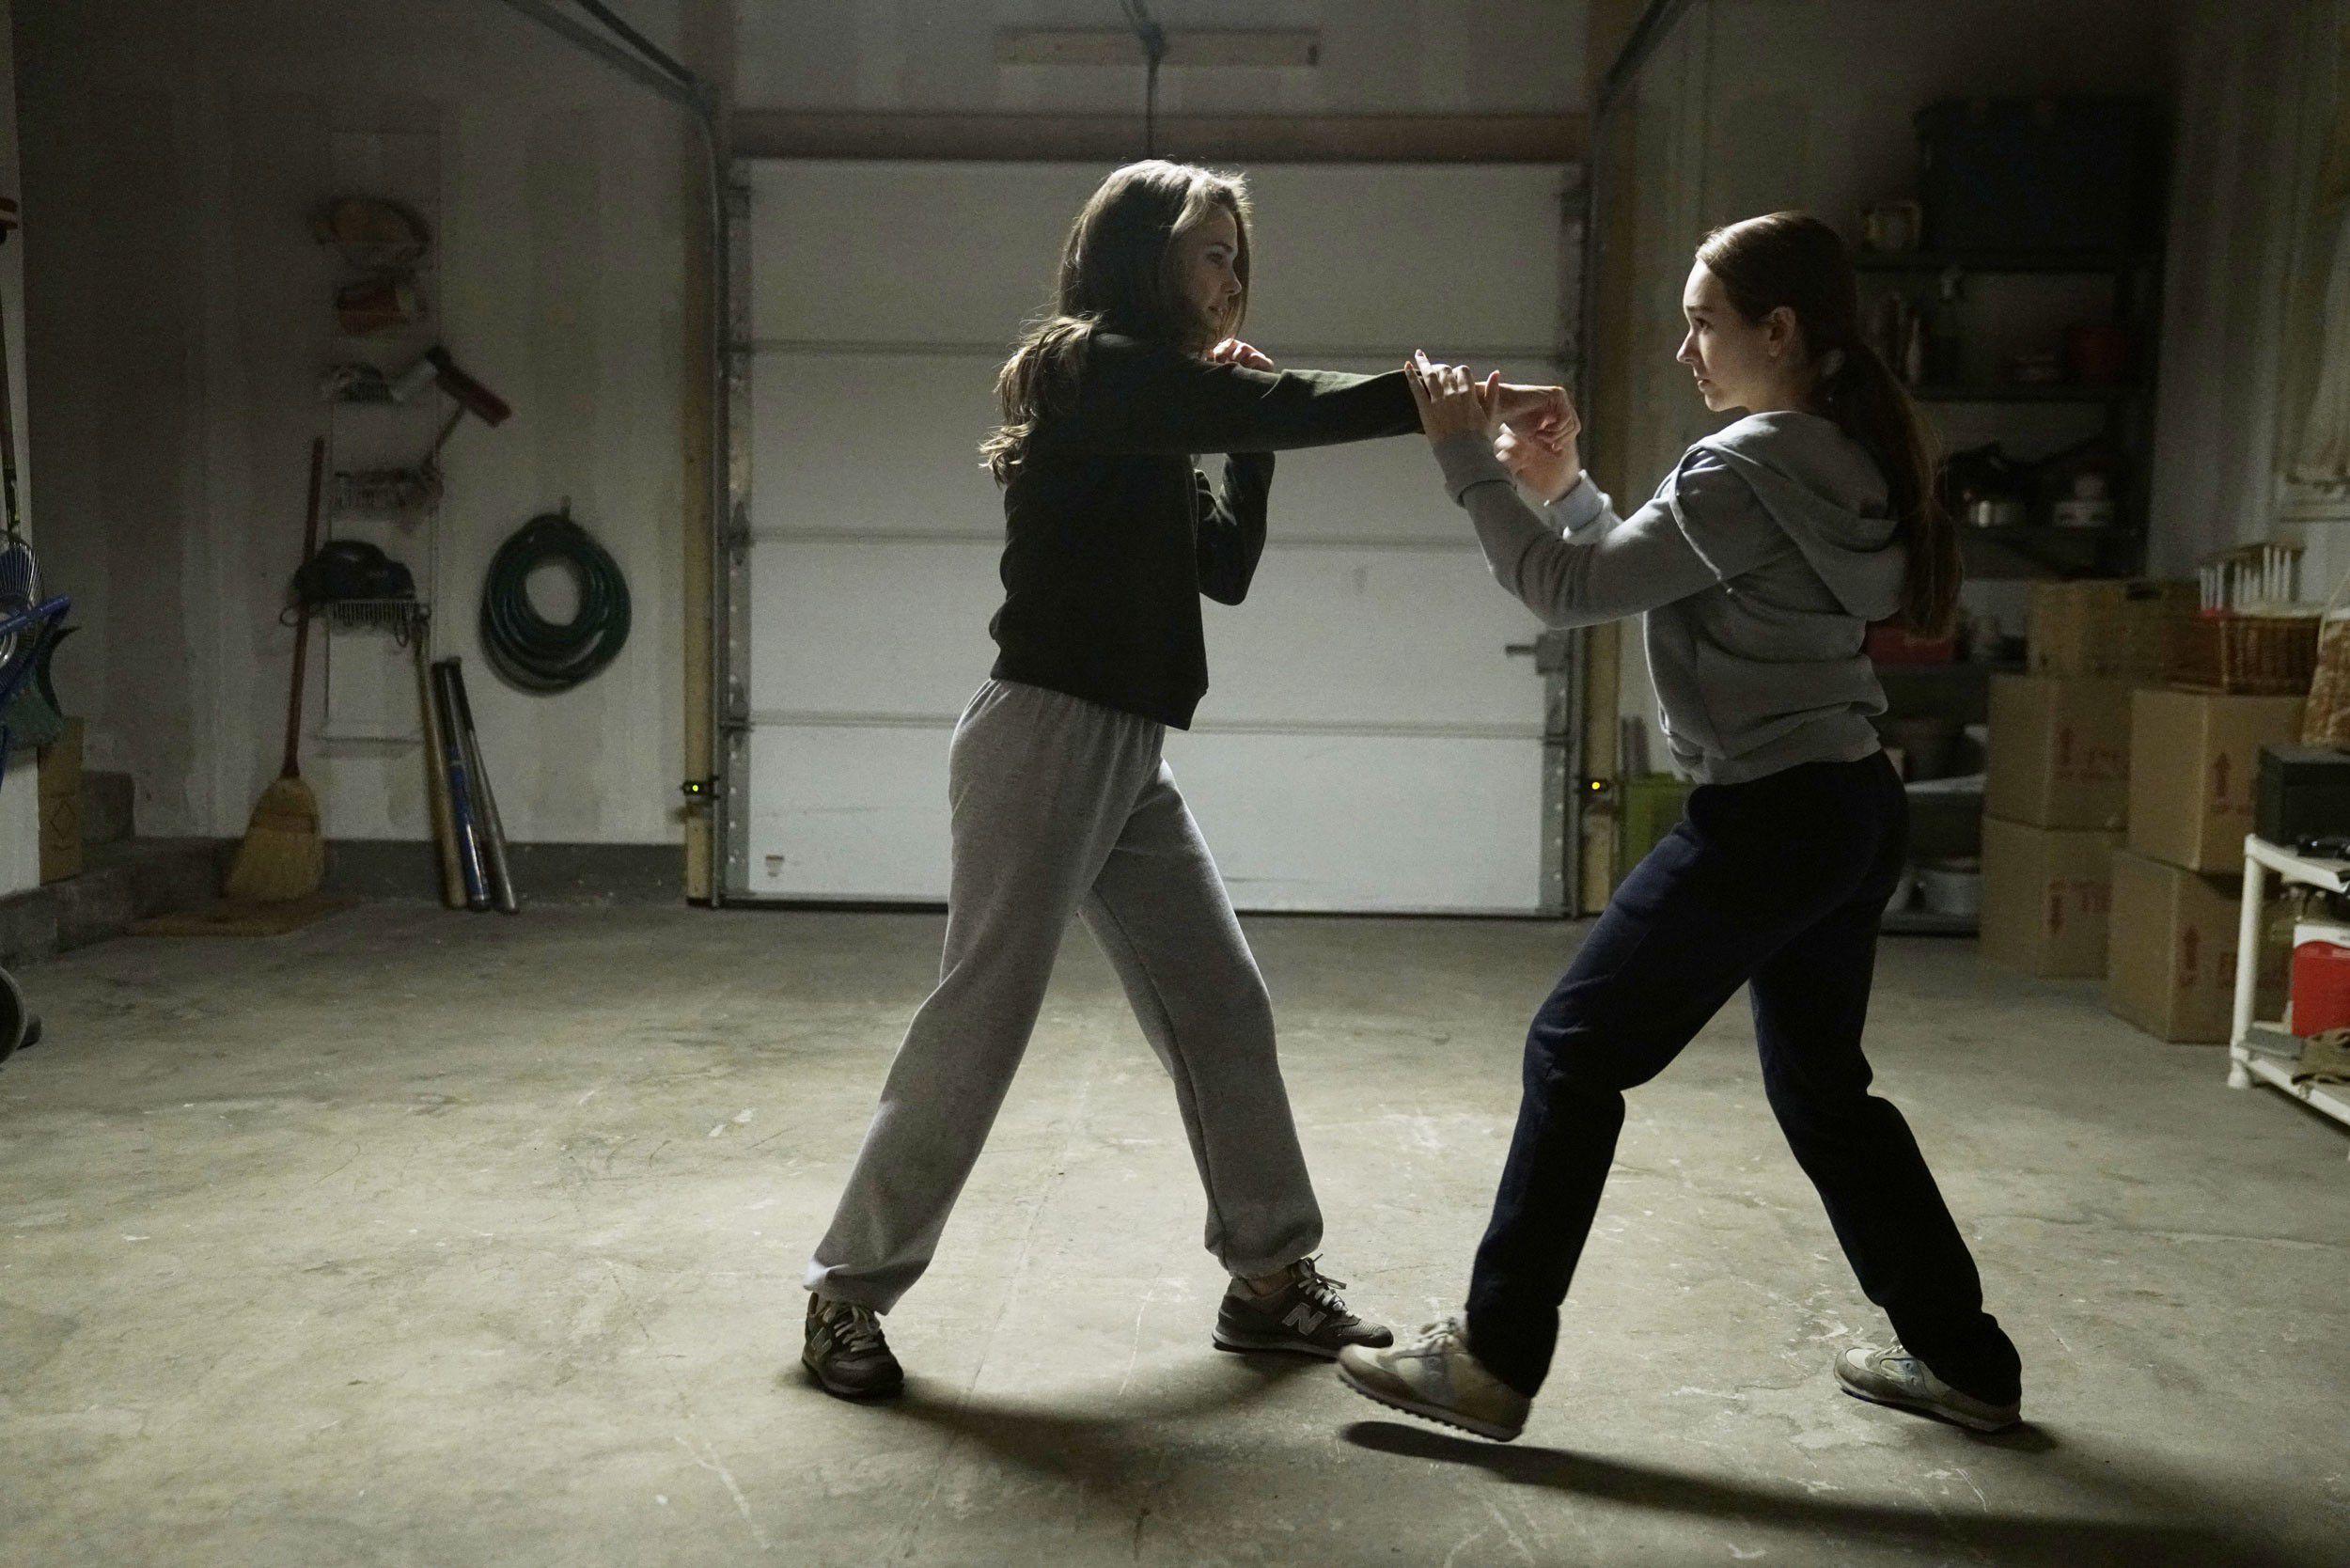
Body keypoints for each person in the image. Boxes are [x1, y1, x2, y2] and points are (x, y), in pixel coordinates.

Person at [801, 159, 1572, 1401]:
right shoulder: (1097, 371)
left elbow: (1224, 570)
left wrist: (1250, 438)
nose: (1229, 277)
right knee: (983, 1019)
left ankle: (1267, 1282)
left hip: (1124, 754)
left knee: (1220, 1005)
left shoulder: (1156, 409)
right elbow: (1300, 404)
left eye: (1235, 256)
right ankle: (846, 1292)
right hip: (1045, 736)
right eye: (1210, 251)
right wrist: (1457, 401)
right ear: (1142, 256)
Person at [1336, 212, 2021, 1442]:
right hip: (1850, 805)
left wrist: (1465, 460)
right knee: (1825, 1092)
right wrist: (1566, 489)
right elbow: (1645, 567)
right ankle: (1966, 1361)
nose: (1684, 349)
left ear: (1781, 330)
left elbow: (1564, 592)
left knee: (1573, 1050)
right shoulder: (1845, 462)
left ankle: (1493, 1358)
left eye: (1705, 323)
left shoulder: (1742, 467)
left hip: (1770, 817)